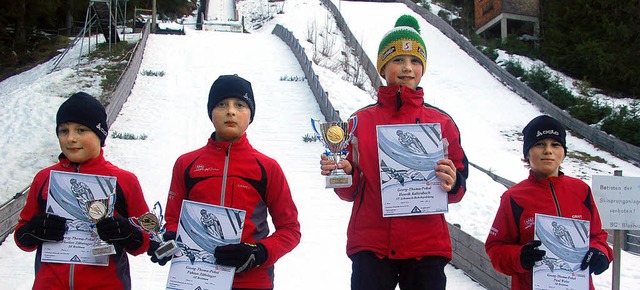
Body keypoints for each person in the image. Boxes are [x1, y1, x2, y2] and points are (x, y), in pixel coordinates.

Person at [319, 15, 468, 290]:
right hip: (372, 245)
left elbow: (458, 190)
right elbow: (348, 192)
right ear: (383, 67)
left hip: (426, 247)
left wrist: (453, 181)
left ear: (423, 68)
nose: (407, 68)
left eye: (415, 61)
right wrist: (343, 174)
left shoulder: (442, 123)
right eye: (398, 60)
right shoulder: (357, 122)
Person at [149, 74, 301, 290]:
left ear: (251, 115)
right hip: (195, 277)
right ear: (211, 112)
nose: (231, 111)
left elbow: (290, 229)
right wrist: (167, 241)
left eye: (240, 105)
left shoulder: (267, 167)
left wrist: (259, 253)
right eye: (222, 104)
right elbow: (173, 220)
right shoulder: (187, 164)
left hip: (251, 281)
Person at [13, 92, 151, 289]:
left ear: (100, 134)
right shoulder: (44, 178)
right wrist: (34, 230)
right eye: (63, 131)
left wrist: (127, 233)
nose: (71, 138)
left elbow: (144, 242)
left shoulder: (124, 181)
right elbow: (22, 238)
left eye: (81, 130)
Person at [485, 115, 613, 290]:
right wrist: (520, 257)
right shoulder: (514, 197)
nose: (548, 151)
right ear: (527, 153)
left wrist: (601, 252)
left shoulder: (581, 190)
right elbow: (496, 248)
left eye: (555, 144)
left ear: (563, 152)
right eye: (539, 144)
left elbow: (598, 236)